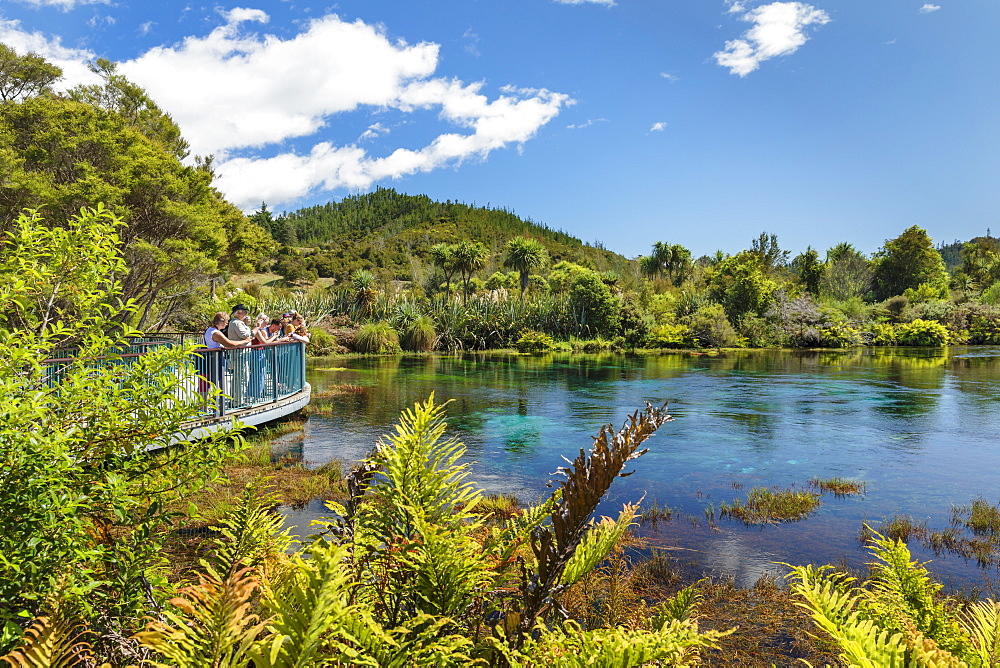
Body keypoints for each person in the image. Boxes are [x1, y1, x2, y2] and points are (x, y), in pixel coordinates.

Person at [200, 311, 251, 401]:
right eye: (226, 322)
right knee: (216, 382)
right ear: (220, 322)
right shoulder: (216, 333)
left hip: (209, 358)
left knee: (206, 383)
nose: (226, 325)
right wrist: (245, 341)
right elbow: (230, 344)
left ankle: (205, 405)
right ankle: (215, 405)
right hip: (214, 359)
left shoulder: (209, 330)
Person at [225, 304, 254, 407]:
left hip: (240, 354)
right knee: (242, 378)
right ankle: (238, 402)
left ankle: (235, 400)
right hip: (240, 354)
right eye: (244, 311)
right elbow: (245, 335)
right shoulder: (236, 323)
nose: (246, 314)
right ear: (238, 313)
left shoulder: (238, 323)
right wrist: (253, 330)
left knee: (238, 378)